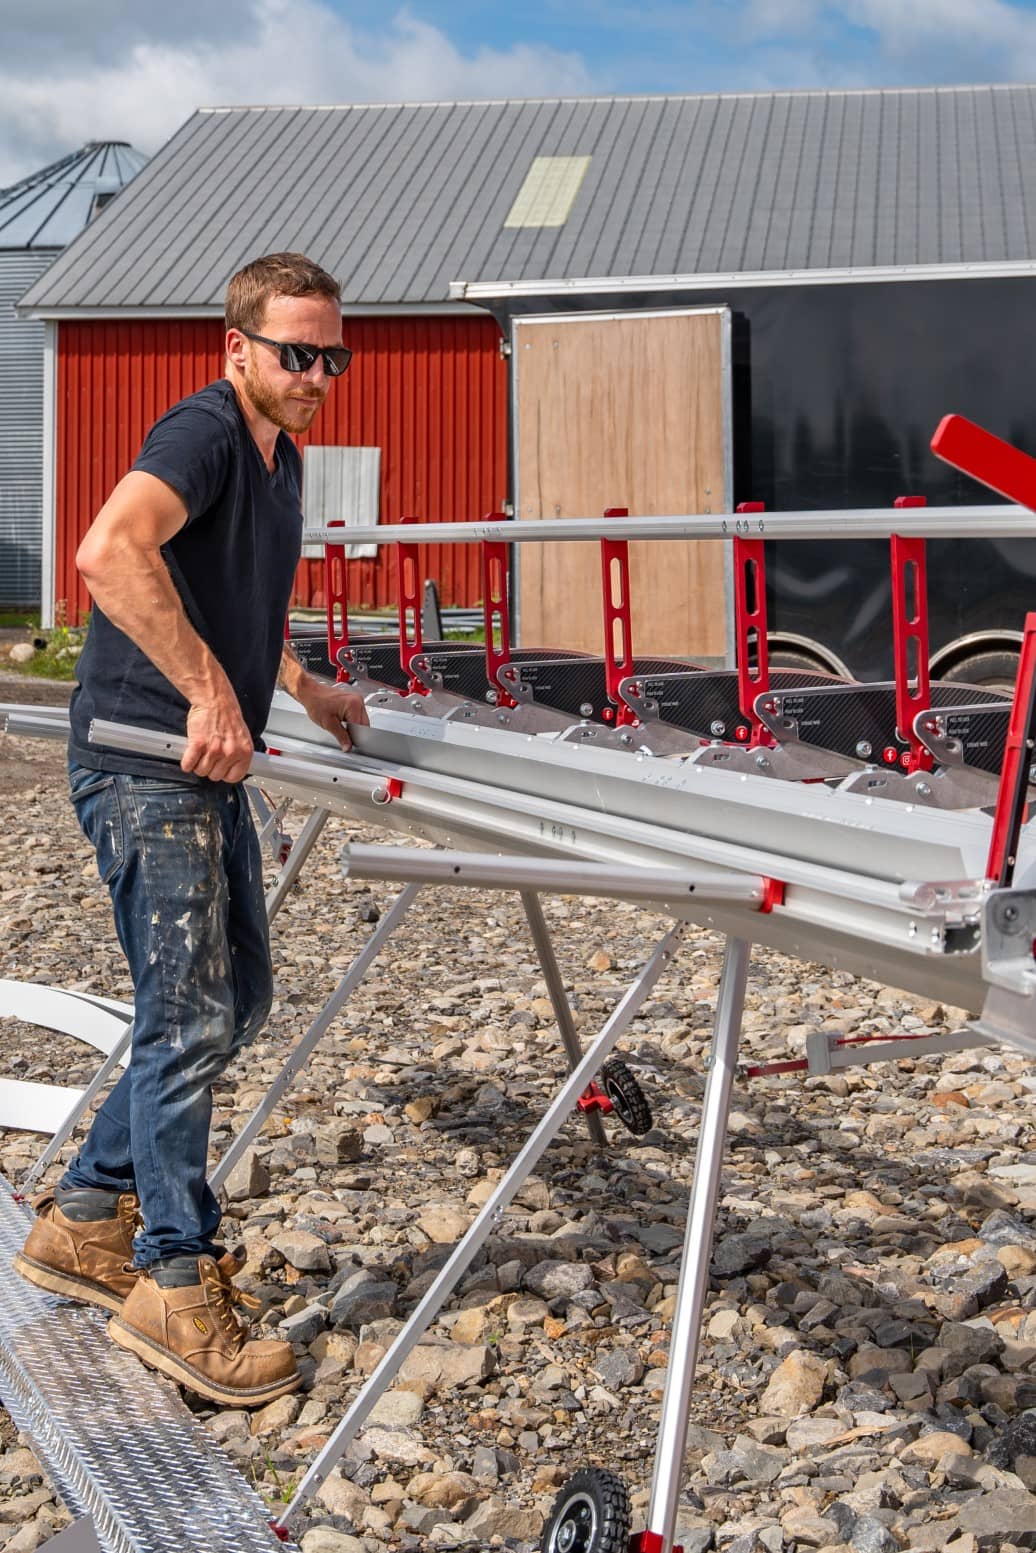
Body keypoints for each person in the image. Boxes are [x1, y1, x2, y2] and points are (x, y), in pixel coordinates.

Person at [14, 252, 367, 1408]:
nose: (313, 374)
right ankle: (171, 1276)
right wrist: (213, 695)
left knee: (235, 1003)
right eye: (292, 353)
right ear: (237, 350)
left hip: (202, 766)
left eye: (330, 355)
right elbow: (109, 550)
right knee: (187, 1014)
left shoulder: (282, 458)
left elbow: (228, 597)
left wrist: (299, 683)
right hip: (144, 760)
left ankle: (78, 1219)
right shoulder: (206, 431)